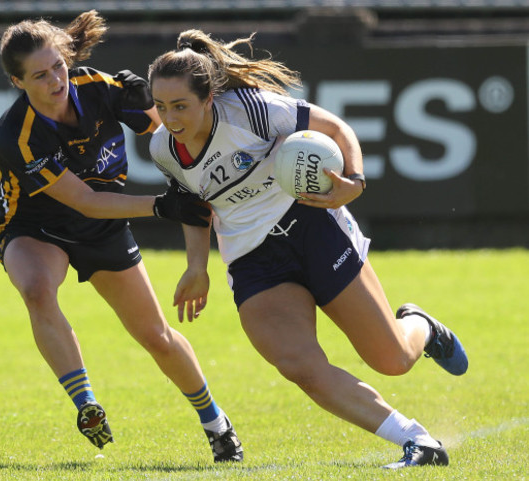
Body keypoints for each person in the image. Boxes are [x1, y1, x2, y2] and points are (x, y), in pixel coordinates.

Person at [147, 29, 469, 469]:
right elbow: (193, 207)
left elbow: (335, 127)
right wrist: (197, 267)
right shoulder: (164, 149)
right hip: (253, 261)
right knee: (299, 364)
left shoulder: (251, 110)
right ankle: (418, 441)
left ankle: (420, 326)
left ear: (208, 99)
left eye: (180, 106)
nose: (170, 119)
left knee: (392, 360)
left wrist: (353, 182)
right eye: (161, 107)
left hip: (313, 228)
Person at [0, 12, 243, 462]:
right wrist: (161, 205)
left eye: (58, 67)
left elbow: (171, 137)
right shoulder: (18, 135)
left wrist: (150, 105)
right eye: (39, 75)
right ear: (17, 82)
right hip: (36, 226)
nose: (55, 81)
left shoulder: (96, 87)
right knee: (36, 289)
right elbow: (84, 199)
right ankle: (86, 402)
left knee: (155, 335)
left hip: (103, 224)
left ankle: (216, 424)